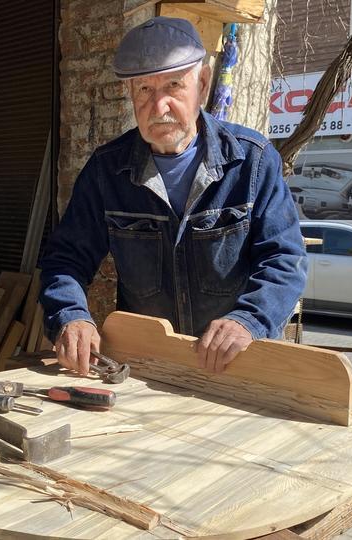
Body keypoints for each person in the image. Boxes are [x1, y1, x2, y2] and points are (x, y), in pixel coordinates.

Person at [39, 16, 307, 375]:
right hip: (149, 366)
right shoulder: (107, 171)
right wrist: (71, 316)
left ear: (203, 84)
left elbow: (284, 259)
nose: (159, 106)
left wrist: (249, 319)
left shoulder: (253, 161)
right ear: (130, 94)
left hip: (237, 365)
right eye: (145, 90)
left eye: (174, 85)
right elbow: (65, 258)